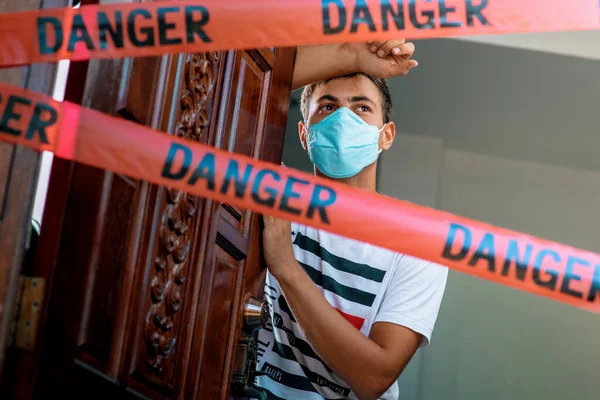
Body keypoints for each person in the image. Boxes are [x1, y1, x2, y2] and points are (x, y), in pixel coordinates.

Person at [256, 40, 449, 400]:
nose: (343, 119)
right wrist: (352, 56)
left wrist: (285, 264)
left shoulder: (421, 240)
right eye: (327, 107)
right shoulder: (273, 192)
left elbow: (373, 377)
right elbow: (243, 79)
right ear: (304, 134)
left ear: (385, 136)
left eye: (361, 107)